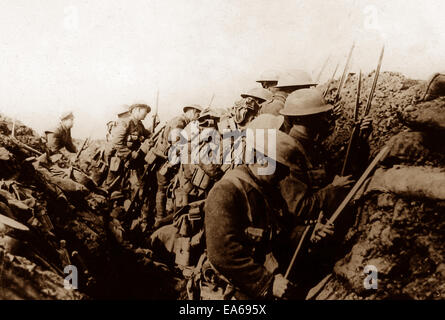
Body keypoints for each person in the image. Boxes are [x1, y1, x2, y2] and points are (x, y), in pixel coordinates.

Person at [204, 115, 336, 300]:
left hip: (268, 276)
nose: (283, 177)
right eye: (281, 170)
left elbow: (279, 234)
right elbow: (222, 253)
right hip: (237, 286)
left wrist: (308, 233)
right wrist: (267, 283)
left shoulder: (267, 191)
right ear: (264, 161)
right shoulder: (227, 190)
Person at [153, 104, 202, 228]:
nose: (198, 117)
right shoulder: (179, 122)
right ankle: (160, 218)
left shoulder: (182, 122)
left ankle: (164, 217)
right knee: (163, 189)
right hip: (166, 161)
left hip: (168, 159)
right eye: (197, 114)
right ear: (191, 111)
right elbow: (176, 143)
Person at [103, 103, 152, 192]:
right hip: (119, 159)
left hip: (131, 160)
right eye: (145, 111)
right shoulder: (125, 122)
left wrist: (155, 124)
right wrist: (130, 153)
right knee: (111, 186)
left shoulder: (139, 124)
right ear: (137, 110)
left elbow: (147, 134)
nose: (146, 114)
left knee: (126, 186)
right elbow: (117, 142)